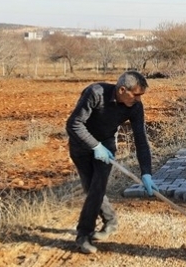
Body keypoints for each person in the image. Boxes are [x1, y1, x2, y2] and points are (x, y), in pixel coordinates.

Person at [66, 70, 159, 254]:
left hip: (106, 145)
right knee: (90, 188)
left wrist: (146, 172)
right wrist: (94, 146)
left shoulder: (135, 107)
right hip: (81, 145)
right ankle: (111, 220)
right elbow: (74, 124)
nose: (139, 99)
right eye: (137, 94)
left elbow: (140, 139)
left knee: (97, 188)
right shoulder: (95, 93)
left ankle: (83, 234)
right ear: (123, 90)